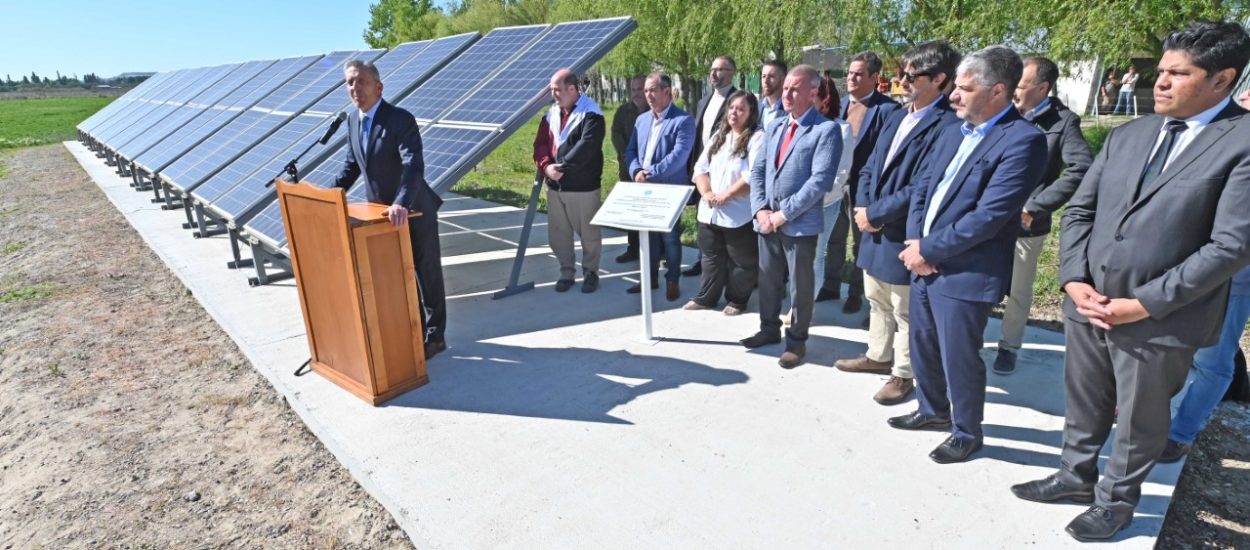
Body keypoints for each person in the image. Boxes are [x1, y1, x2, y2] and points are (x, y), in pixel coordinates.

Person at [1011, 21, 1250, 542]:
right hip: (1088, 301)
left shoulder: (1243, 142)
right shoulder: (1130, 134)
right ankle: (1075, 476)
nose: (1159, 82)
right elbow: (1081, 212)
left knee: (1141, 419)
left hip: (1159, 318)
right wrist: (1073, 279)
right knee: (1084, 398)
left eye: (1177, 74)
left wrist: (1142, 304)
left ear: (1222, 78)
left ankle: (1116, 501)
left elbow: (1230, 246)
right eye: (1160, 70)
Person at [887, 45, 1045, 465]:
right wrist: (914, 243)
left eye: (964, 88)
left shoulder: (1024, 141)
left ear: (997, 92)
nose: (953, 96)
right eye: (954, 87)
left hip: (966, 270)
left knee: (959, 355)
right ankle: (933, 410)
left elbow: (989, 216)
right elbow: (923, 188)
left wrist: (929, 249)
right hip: (922, 259)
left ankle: (966, 431)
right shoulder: (954, 130)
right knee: (923, 343)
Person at [835, 40, 962, 405]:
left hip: (903, 230)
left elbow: (923, 184)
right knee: (876, 298)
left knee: (906, 309)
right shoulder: (897, 115)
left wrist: (875, 214)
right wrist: (862, 206)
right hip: (872, 224)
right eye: (901, 73)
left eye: (911, 75)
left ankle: (904, 374)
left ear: (939, 79)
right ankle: (877, 355)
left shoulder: (947, 125)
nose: (902, 81)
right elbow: (871, 165)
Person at [333, 60, 448, 359]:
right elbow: (351, 166)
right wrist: (330, 196)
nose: (354, 88)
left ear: (378, 86)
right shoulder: (353, 122)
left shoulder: (400, 119)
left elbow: (413, 165)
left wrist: (401, 202)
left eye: (361, 81)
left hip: (413, 210)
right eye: (349, 83)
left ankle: (435, 337)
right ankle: (411, 332)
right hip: (381, 216)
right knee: (398, 276)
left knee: (426, 274)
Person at [991, 57, 1094, 374]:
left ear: (1043, 88)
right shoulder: (1001, 113)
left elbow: (1081, 168)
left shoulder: (1063, 123)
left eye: (1020, 86)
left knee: (1018, 290)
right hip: (989, 219)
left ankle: (1009, 346)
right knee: (979, 279)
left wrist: (1037, 205)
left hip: (1026, 225)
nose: (1013, 90)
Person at [740, 65, 843, 369]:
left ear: (813, 93)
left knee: (800, 284)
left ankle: (796, 342)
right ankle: (768, 329)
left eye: (794, 89)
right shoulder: (775, 126)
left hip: (798, 224)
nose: (786, 94)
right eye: (785, 88)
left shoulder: (826, 131)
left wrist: (782, 215)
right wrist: (760, 210)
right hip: (767, 220)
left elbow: (819, 182)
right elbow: (758, 170)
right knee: (768, 278)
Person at [819, 52, 901, 315]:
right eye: (850, 73)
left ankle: (855, 294)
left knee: (861, 243)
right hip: (835, 187)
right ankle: (830, 285)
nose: (851, 79)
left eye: (858, 74)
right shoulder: (838, 104)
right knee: (833, 238)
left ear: (874, 78)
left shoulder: (887, 110)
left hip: (863, 189)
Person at [685, 91, 763, 315]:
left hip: (738, 213)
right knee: (711, 258)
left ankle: (737, 300)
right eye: (731, 108)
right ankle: (706, 298)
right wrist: (707, 192)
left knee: (742, 261)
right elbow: (700, 168)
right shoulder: (720, 135)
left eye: (741, 109)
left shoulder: (757, 138)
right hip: (709, 211)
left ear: (751, 113)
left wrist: (726, 195)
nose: (734, 113)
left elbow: (752, 175)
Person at [532, 68, 606, 294]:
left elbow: (587, 148)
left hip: (583, 187)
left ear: (572, 89)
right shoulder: (551, 114)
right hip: (555, 186)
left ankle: (591, 272)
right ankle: (566, 272)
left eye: (556, 90)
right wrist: (546, 166)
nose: (553, 94)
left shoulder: (591, 114)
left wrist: (561, 168)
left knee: (589, 234)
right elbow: (540, 144)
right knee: (559, 234)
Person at [624, 72, 696, 301]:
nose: (648, 95)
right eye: (646, 91)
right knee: (649, 237)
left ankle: (672, 280)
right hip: (644, 187)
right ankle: (650, 278)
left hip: (668, 189)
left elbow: (678, 157)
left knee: (670, 238)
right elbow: (631, 151)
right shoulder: (642, 119)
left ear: (667, 91)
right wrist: (636, 171)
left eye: (652, 90)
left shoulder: (683, 120)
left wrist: (650, 174)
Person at [685, 56, 741, 278]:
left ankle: (727, 265)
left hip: (725, 171)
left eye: (720, 69)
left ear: (732, 72)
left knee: (724, 220)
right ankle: (704, 260)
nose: (714, 74)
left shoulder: (737, 100)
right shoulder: (703, 101)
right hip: (703, 171)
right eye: (712, 70)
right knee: (704, 218)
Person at [612, 75, 648, 264]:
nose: (637, 93)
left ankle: (659, 251)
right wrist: (628, 156)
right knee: (632, 213)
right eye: (634, 89)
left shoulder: (655, 111)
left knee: (652, 212)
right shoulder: (622, 112)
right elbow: (616, 134)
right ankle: (633, 248)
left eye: (640, 89)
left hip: (650, 173)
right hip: (628, 171)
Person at [758, 60, 788, 131]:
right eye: (764, 76)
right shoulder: (756, 107)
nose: (765, 81)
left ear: (782, 80)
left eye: (771, 77)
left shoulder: (790, 110)